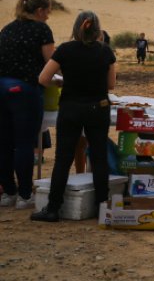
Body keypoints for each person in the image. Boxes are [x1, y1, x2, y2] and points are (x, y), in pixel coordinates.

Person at [31, 11, 116, 222]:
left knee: (63, 158)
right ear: (97, 29)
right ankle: (102, 207)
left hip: (70, 108)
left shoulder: (65, 50)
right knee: (98, 157)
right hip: (98, 107)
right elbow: (111, 85)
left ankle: (52, 208)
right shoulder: (105, 52)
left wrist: (59, 83)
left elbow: (43, 78)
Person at [0, 0, 54, 209]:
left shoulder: (8, 28)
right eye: (48, 12)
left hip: (1, 87)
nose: (48, 16)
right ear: (40, 10)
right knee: (24, 144)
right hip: (24, 90)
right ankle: (24, 195)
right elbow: (52, 62)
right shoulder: (41, 30)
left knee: (3, 143)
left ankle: (7, 193)